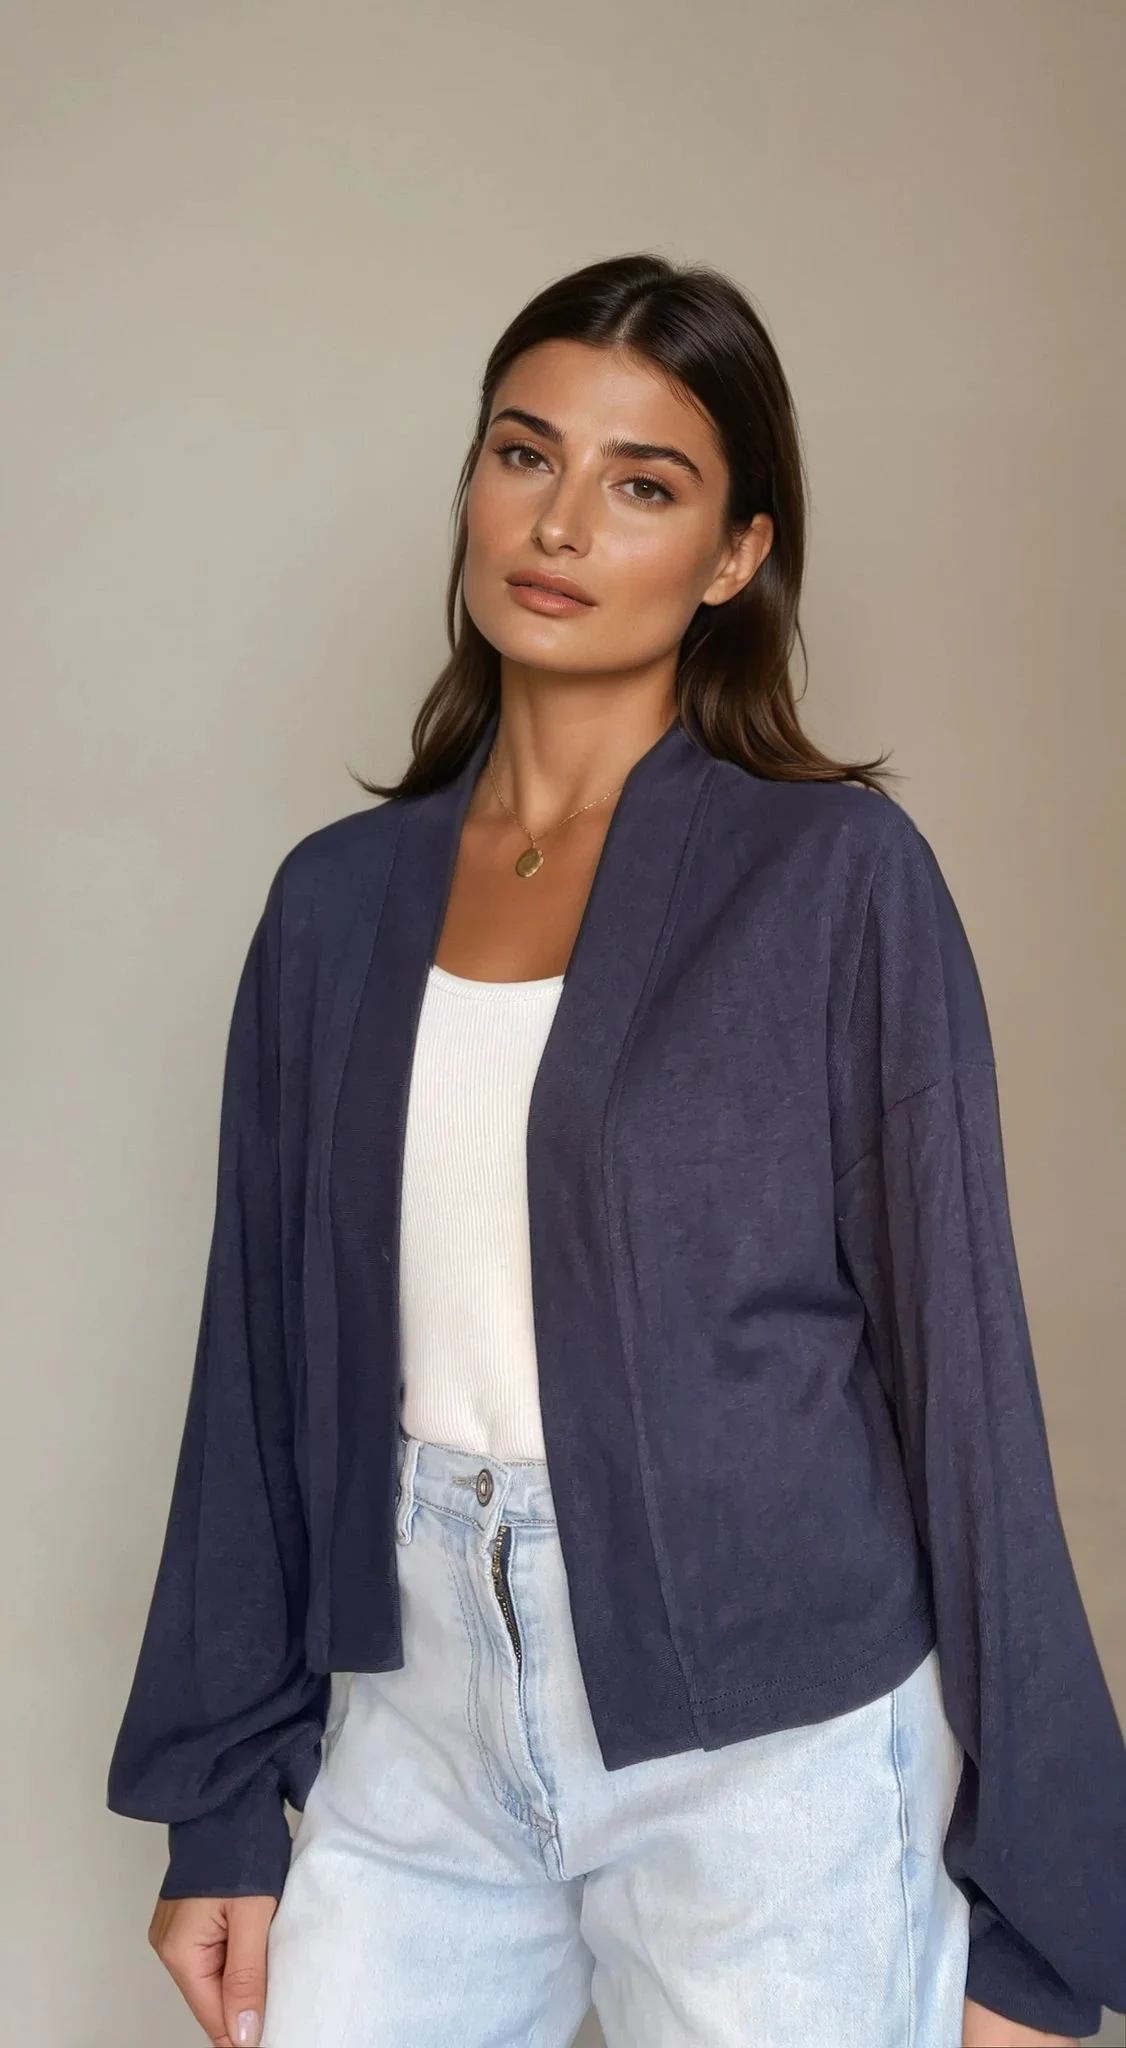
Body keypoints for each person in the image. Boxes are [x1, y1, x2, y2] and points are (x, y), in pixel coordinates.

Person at [106, 253, 1126, 2048]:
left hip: (773, 1751)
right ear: (473, 479)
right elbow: (256, 1362)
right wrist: (219, 1805)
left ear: (733, 555)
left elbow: (963, 1375)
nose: (561, 522)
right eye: (525, 454)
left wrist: (1045, 1915)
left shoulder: (831, 881)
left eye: (642, 484)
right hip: (414, 1719)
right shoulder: (333, 906)